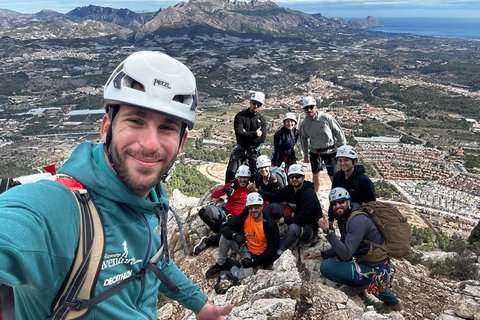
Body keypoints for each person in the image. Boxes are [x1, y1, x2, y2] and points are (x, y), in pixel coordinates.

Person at [0, 51, 231, 319]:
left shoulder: (152, 200)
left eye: (167, 127)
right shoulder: (60, 209)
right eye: (135, 120)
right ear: (106, 127)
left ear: (181, 143)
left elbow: (153, 259)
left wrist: (199, 305)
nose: (150, 144)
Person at [304, 187, 402, 311]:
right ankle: (367, 284)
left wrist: (327, 231)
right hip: (373, 265)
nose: (337, 205)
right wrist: (319, 254)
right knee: (369, 282)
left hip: (374, 269)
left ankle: (393, 304)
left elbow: (345, 254)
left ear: (348, 202)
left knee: (326, 268)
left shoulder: (357, 220)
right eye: (334, 204)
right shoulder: (349, 217)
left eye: (341, 202)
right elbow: (344, 246)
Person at [204, 192, 279, 280]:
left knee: (242, 276)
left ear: (262, 207)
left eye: (256, 207)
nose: (254, 210)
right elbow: (225, 228)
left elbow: (272, 249)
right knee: (226, 236)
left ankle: (231, 265)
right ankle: (220, 264)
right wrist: (235, 235)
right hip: (245, 249)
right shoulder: (245, 216)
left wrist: (253, 261)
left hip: (258, 256)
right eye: (250, 207)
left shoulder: (269, 224)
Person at [251, 164, 322, 256]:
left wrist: (285, 220)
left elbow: (303, 219)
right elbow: (273, 197)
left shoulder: (309, 195)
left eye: (297, 176)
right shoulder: (290, 189)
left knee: (293, 228)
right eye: (292, 177)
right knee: (272, 207)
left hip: (308, 227)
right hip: (294, 214)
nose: (294, 179)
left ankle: (278, 250)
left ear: (303, 177)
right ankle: (258, 231)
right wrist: (257, 191)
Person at [195, 165, 251, 255]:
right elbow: (214, 195)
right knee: (204, 213)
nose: (243, 180)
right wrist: (224, 190)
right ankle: (219, 231)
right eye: (240, 177)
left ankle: (207, 241)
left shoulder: (251, 189)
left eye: (245, 177)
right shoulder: (232, 185)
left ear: (249, 178)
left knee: (231, 237)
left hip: (239, 219)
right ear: (237, 177)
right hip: (226, 212)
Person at [299, 96, 346, 193]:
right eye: (306, 108)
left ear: (315, 107)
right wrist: (305, 154)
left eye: (311, 107)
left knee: (333, 176)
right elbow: (303, 138)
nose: (309, 110)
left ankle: (337, 194)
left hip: (330, 151)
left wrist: (344, 146)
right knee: (315, 174)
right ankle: (316, 194)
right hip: (315, 152)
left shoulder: (326, 118)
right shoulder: (304, 124)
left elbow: (337, 131)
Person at [328, 145, 376, 229]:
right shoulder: (338, 177)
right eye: (340, 160)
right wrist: (331, 218)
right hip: (342, 216)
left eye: (346, 160)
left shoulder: (363, 180)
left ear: (354, 161)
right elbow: (334, 198)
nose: (342, 163)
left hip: (358, 218)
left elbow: (372, 204)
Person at [225, 91, 267, 183]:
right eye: (254, 103)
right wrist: (255, 134)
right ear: (250, 102)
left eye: (259, 104)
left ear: (261, 105)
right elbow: (239, 134)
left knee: (255, 175)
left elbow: (262, 139)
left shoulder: (262, 120)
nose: (256, 106)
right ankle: (228, 191)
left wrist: (246, 135)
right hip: (241, 149)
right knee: (231, 172)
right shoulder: (240, 116)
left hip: (254, 150)